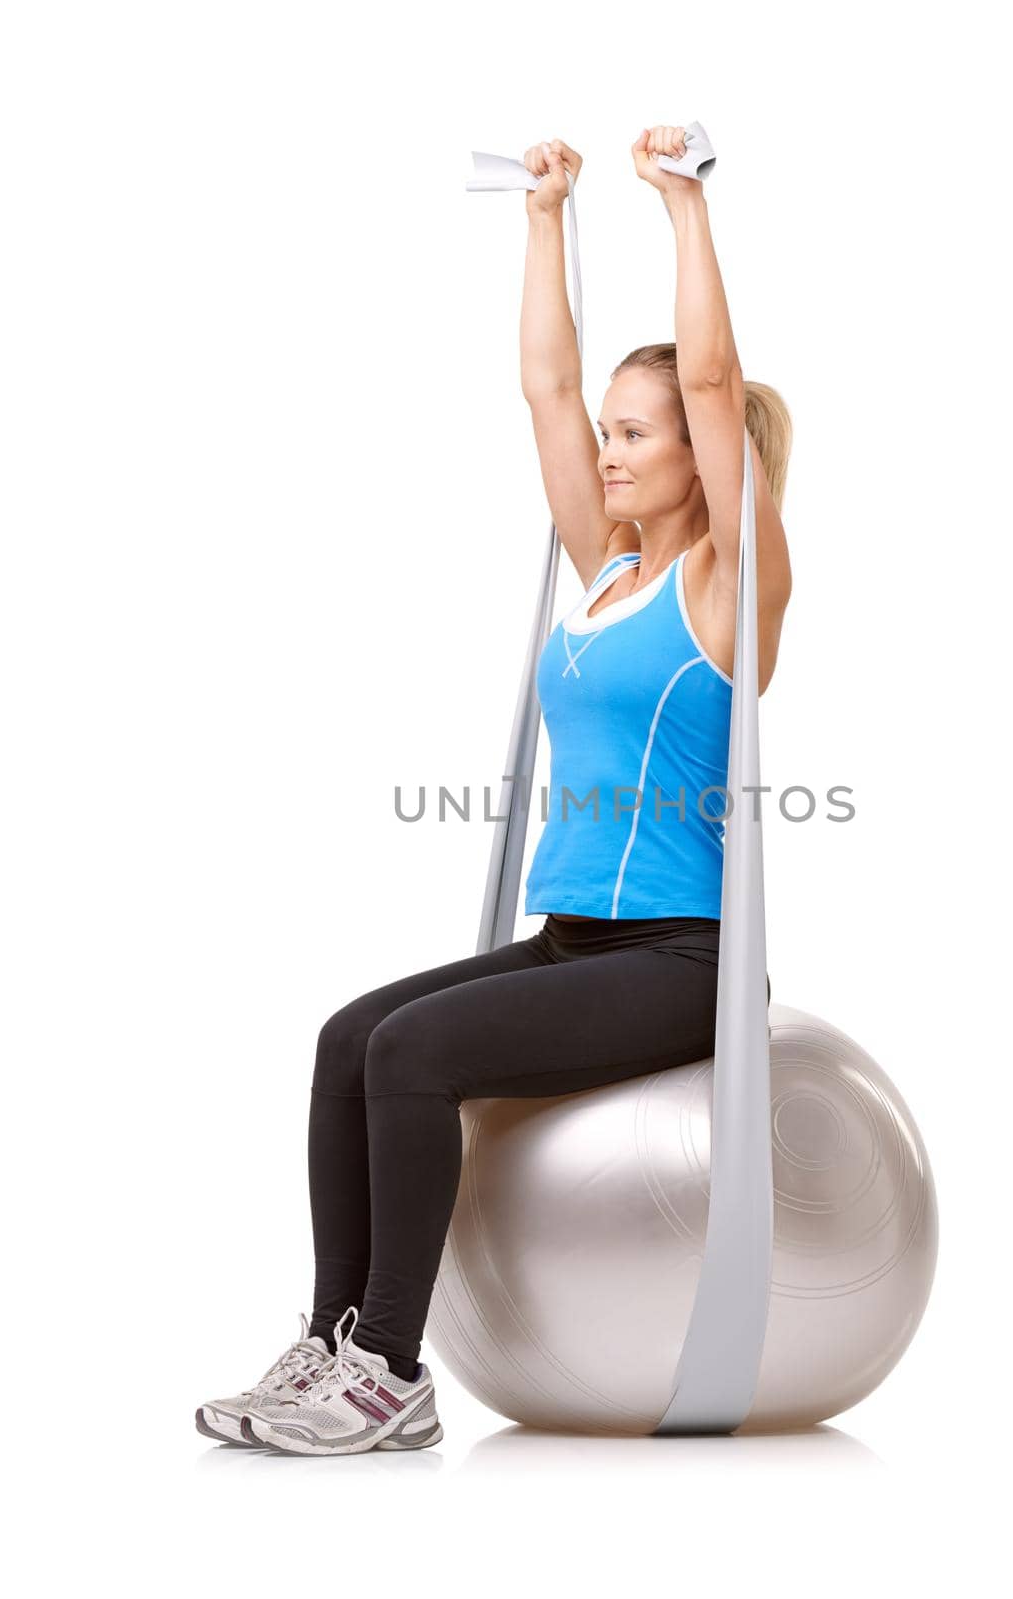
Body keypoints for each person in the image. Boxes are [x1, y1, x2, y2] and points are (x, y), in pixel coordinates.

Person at [196, 126, 795, 1456]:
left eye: (640, 436)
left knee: (415, 1055)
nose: (613, 450)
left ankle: (392, 1374)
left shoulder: (728, 585)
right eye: (614, 436)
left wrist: (683, 206)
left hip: (685, 958)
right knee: (352, 1036)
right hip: (579, 939)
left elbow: (709, 373)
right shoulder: (606, 572)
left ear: (703, 459)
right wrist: (546, 218)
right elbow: (543, 389)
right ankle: (331, 1345)